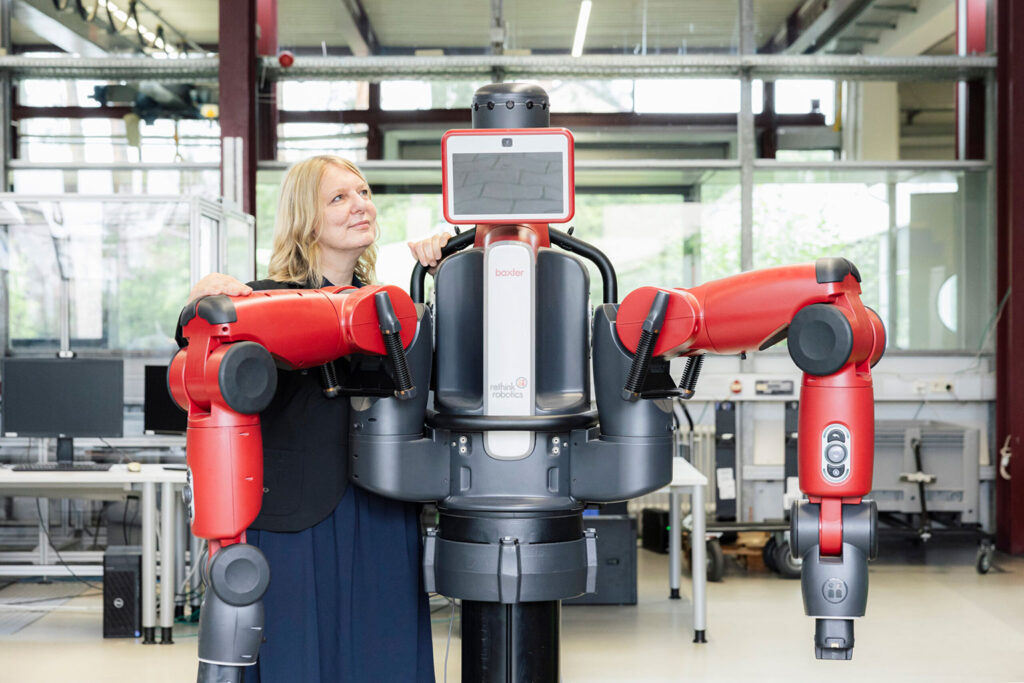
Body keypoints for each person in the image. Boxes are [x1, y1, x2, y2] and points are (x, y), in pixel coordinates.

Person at [185, 155, 447, 682]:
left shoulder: (391, 311)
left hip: (383, 514)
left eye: (363, 192)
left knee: (385, 659)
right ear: (306, 218)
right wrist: (198, 301)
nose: (360, 205)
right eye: (339, 198)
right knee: (299, 663)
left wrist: (449, 274)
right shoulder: (259, 300)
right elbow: (195, 346)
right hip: (293, 520)